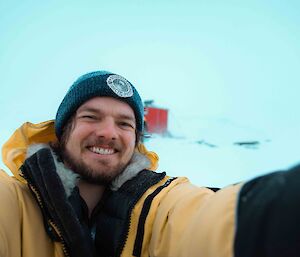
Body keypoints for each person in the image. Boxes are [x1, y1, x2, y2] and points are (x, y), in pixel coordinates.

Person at [1, 70, 300, 257]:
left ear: (137, 140)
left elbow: (209, 220)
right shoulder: (14, 202)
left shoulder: (158, 205)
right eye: (91, 116)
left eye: (125, 123)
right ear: (62, 130)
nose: (108, 132)